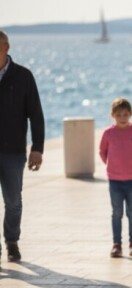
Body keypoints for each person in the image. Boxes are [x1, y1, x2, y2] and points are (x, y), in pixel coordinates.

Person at [0, 30, 44, 265]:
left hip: (13, 151)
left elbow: (36, 114)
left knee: (13, 201)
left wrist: (37, 148)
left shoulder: (23, 76)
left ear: (7, 47)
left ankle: (11, 242)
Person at [99, 98, 132, 258]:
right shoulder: (108, 133)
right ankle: (116, 244)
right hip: (115, 181)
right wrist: (111, 166)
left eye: (125, 114)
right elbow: (102, 152)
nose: (122, 118)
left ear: (130, 114)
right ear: (113, 115)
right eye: (119, 115)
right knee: (116, 212)